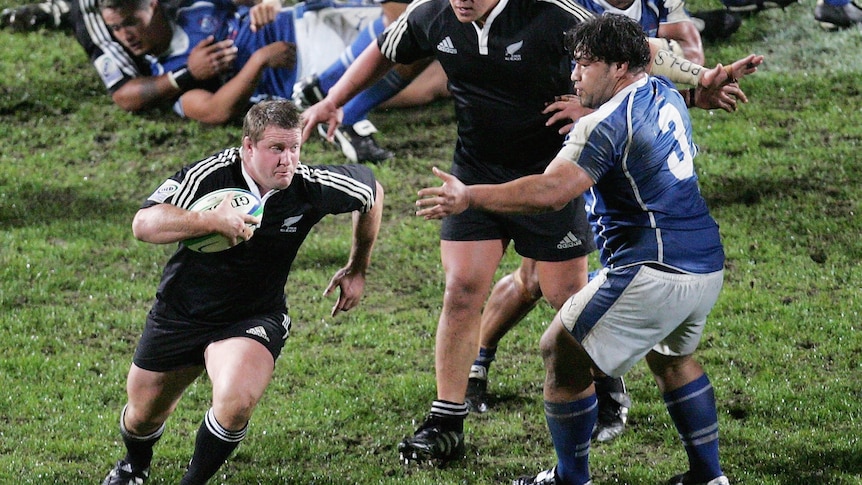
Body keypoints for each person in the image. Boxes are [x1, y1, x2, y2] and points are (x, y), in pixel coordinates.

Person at [301, 0, 758, 465]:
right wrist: (333, 100)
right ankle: (446, 420)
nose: (462, 0)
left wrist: (698, 81)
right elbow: (386, 49)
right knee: (462, 289)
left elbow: (633, 49)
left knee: (563, 297)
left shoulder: (552, 13)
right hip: (475, 173)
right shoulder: (431, 13)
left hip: (551, 175)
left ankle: (597, 399)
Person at [101, 99, 383, 485]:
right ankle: (134, 466)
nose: (288, 160)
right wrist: (209, 221)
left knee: (235, 402)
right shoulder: (211, 175)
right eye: (276, 149)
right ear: (248, 147)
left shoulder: (308, 187)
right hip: (183, 311)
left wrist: (358, 267)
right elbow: (144, 223)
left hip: (253, 315)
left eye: (295, 147)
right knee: (143, 414)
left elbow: (371, 191)